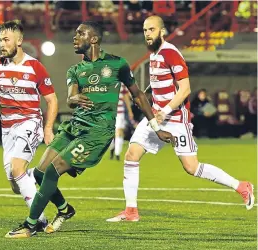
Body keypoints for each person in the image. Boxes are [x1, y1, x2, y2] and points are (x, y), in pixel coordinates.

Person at [5, 20, 175, 239]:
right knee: (39, 173)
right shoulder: (75, 70)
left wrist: (156, 127)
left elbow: (139, 95)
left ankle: (30, 225)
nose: (75, 37)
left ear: (94, 39)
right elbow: (71, 96)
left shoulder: (117, 64)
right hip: (74, 127)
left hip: (97, 133)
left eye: (80, 34)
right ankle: (65, 209)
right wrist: (74, 98)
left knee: (51, 172)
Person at [106, 15, 255, 222]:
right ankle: (131, 211)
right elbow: (160, 86)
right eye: (145, 30)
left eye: (151, 29)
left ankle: (241, 186)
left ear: (162, 31)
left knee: (191, 167)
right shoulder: (154, 55)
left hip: (176, 118)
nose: (147, 34)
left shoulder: (170, 53)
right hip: (156, 116)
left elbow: (185, 89)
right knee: (131, 155)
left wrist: (165, 110)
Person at [0, 20, 58, 230]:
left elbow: (52, 100)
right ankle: (35, 176)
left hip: (30, 121)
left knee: (17, 168)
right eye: (0, 40)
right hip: (7, 128)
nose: (1, 44)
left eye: (6, 39)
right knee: (16, 183)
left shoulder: (35, 66)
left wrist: (48, 128)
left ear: (19, 41)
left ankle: (39, 221)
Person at [110, 83, 134, 161]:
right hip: (109, 112)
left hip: (120, 112)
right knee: (112, 133)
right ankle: (112, 149)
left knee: (119, 132)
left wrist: (130, 111)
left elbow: (126, 96)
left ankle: (117, 154)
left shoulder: (121, 84)